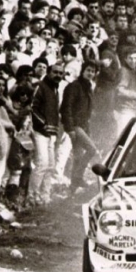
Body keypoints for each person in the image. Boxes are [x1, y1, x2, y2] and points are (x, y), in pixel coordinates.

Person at [61, 59, 100, 194]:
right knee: (92, 150)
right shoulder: (74, 86)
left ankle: (72, 189)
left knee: (78, 155)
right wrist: (70, 128)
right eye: (88, 70)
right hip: (75, 125)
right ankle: (78, 178)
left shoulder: (88, 87)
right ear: (82, 71)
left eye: (93, 71)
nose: (90, 73)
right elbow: (66, 108)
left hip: (83, 125)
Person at [29, 62, 64, 206]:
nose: (58, 76)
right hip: (40, 132)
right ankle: (32, 196)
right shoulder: (40, 86)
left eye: (60, 73)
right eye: (55, 72)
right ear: (48, 73)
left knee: (50, 165)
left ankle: (45, 196)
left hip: (51, 133)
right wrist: (43, 125)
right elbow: (33, 108)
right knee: (42, 164)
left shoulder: (55, 89)